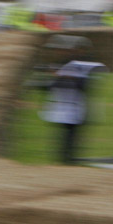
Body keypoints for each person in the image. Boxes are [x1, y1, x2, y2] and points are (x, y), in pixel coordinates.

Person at [38, 35, 105, 164]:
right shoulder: (62, 65)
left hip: (76, 109)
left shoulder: (84, 66)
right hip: (63, 109)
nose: (58, 52)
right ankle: (64, 162)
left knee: (71, 140)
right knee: (62, 140)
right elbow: (51, 86)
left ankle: (68, 162)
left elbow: (85, 86)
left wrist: (64, 78)